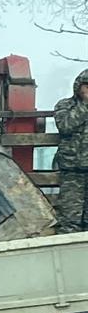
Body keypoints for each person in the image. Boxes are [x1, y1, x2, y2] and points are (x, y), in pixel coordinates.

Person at [54, 68, 88, 232]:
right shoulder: (65, 105)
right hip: (72, 172)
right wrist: (86, 105)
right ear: (79, 86)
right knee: (69, 220)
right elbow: (65, 126)